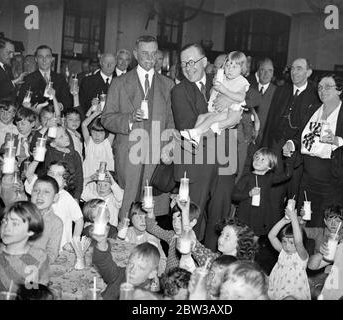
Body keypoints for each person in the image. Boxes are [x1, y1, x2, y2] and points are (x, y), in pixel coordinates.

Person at [170, 43, 242, 251]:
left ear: (204, 62)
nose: (188, 67)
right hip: (197, 163)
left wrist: (230, 115)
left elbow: (244, 101)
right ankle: (189, 259)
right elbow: (188, 127)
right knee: (194, 216)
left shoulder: (221, 83)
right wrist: (227, 121)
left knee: (220, 216)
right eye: (184, 63)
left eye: (192, 62)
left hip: (223, 161)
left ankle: (212, 260)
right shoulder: (179, 91)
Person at [101, 35, 175, 219]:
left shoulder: (168, 85)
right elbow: (107, 118)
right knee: (125, 210)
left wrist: (169, 146)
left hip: (156, 159)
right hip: (128, 157)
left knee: (152, 214)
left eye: (153, 54)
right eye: (144, 54)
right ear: (135, 54)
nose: (150, 58)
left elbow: (173, 122)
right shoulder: (119, 83)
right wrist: (129, 118)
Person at [283, 74, 343, 242]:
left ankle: (324, 263)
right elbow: (301, 137)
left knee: (329, 224)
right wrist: (291, 144)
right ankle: (303, 259)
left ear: (339, 90)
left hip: (333, 177)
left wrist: (337, 140)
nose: (322, 90)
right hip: (309, 176)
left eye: (327, 87)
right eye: (320, 87)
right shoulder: (312, 110)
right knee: (307, 219)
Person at [261, 58, 320, 225]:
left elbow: (312, 129)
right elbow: (271, 119)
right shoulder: (281, 90)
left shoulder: (316, 94)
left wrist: (294, 143)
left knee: (293, 195)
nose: (294, 72)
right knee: (272, 193)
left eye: (299, 68)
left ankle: (289, 236)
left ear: (308, 72)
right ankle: (269, 233)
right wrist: (264, 148)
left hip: (299, 152)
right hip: (276, 146)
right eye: (293, 68)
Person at [180, 51, 249, 147]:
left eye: (234, 67)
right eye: (227, 65)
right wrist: (215, 86)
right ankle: (194, 140)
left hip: (229, 113)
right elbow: (213, 94)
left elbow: (241, 97)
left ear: (242, 69)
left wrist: (224, 90)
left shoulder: (241, 81)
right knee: (201, 117)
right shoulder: (223, 78)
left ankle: (195, 132)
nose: (229, 69)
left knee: (211, 119)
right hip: (218, 111)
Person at [0, 201, 49, 300]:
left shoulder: (37, 258)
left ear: (31, 230)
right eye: (4, 221)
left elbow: (36, 293)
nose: (6, 228)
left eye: (15, 223)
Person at [232, 147, 291, 238]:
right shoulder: (247, 177)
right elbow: (234, 195)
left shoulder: (269, 178)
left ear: (270, 166)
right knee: (241, 239)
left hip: (260, 216)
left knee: (254, 240)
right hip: (245, 215)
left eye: (263, 159)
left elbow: (287, 175)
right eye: (257, 157)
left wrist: (288, 158)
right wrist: (249, 194)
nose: (258, 160)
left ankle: (252, 251)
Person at [25, 160, 83, 250]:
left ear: (66, 182)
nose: (54, 176)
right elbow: (29, 174)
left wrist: (74, 242)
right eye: (51, 173)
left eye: (59, 174)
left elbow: (79, 219)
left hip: (60, 247)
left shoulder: (66, 198)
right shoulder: (40, 189)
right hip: (37, 246)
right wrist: (37, 159)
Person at [92, 229, 161, 300]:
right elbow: (104, 261)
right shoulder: (119, 274)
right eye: (131, 264)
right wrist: (101, 243)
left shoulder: (146, 294)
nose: (132, 270)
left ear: (151, 274)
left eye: (140, 268)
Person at [145, 196, 200, 273]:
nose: (175, 223)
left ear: (192, 222)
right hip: (167, 279)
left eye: (180, 219)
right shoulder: (172, 236)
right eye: (174, 219)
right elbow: (152, 228)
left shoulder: (194, 243)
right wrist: (150, 212)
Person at [268, 206, 311, 300]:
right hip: (277, 291)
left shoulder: (301, 256)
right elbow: (271, 236)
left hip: (293, 294)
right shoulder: (283, 252)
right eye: (284, 241)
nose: (287, 246)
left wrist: (294, 219)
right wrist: (284, 220)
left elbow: (298, 242)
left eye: (291, 243)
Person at [18, 45, 72, 110]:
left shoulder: (60, 78)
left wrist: (61, 105)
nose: (44, 60)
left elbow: (68, 101)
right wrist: (30, 107)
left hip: (55, 117)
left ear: (52, 59)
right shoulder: (29, 79)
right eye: (40, 57)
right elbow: (21, 101)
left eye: (47, 56)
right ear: (36, 59)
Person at [189, 217, 259, 267]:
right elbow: (202, 251)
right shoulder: (220, 256)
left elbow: (203, 256)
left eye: (227, 237)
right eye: (222, 234)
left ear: (240, 243)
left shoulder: (228, 267)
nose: (221, 239)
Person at [39, 125, 84, 200]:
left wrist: (76, 197)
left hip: (70, 195)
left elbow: (79, 178)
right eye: (61, 137)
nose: (66, 137)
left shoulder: (75, 155)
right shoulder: (48, 154)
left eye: (65, 134)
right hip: (51, 194)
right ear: (53, 144)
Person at [125, 202, 167, 276]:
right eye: (139, 217)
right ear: (131, 218)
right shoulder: (126, 232)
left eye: (145, 217)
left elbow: (161, 263)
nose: (143, 221)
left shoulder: (152, 237)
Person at [30, 175, 63, 263]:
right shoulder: (22, 214)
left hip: (36, 269)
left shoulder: (56, 223)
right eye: (36, 190)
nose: (39, 195)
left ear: (55, 198)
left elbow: (52, 255)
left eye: (46, 192)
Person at [82, 111, 114, 186]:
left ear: (106, 133)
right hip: (89, 177)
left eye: (101, 133)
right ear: (90, 132)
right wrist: (96, 114)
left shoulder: (107, 142)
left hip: (104, 180)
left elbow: (113, 126)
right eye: (94, 132)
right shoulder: (89, 142)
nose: (97, 136)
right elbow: (84, 125)